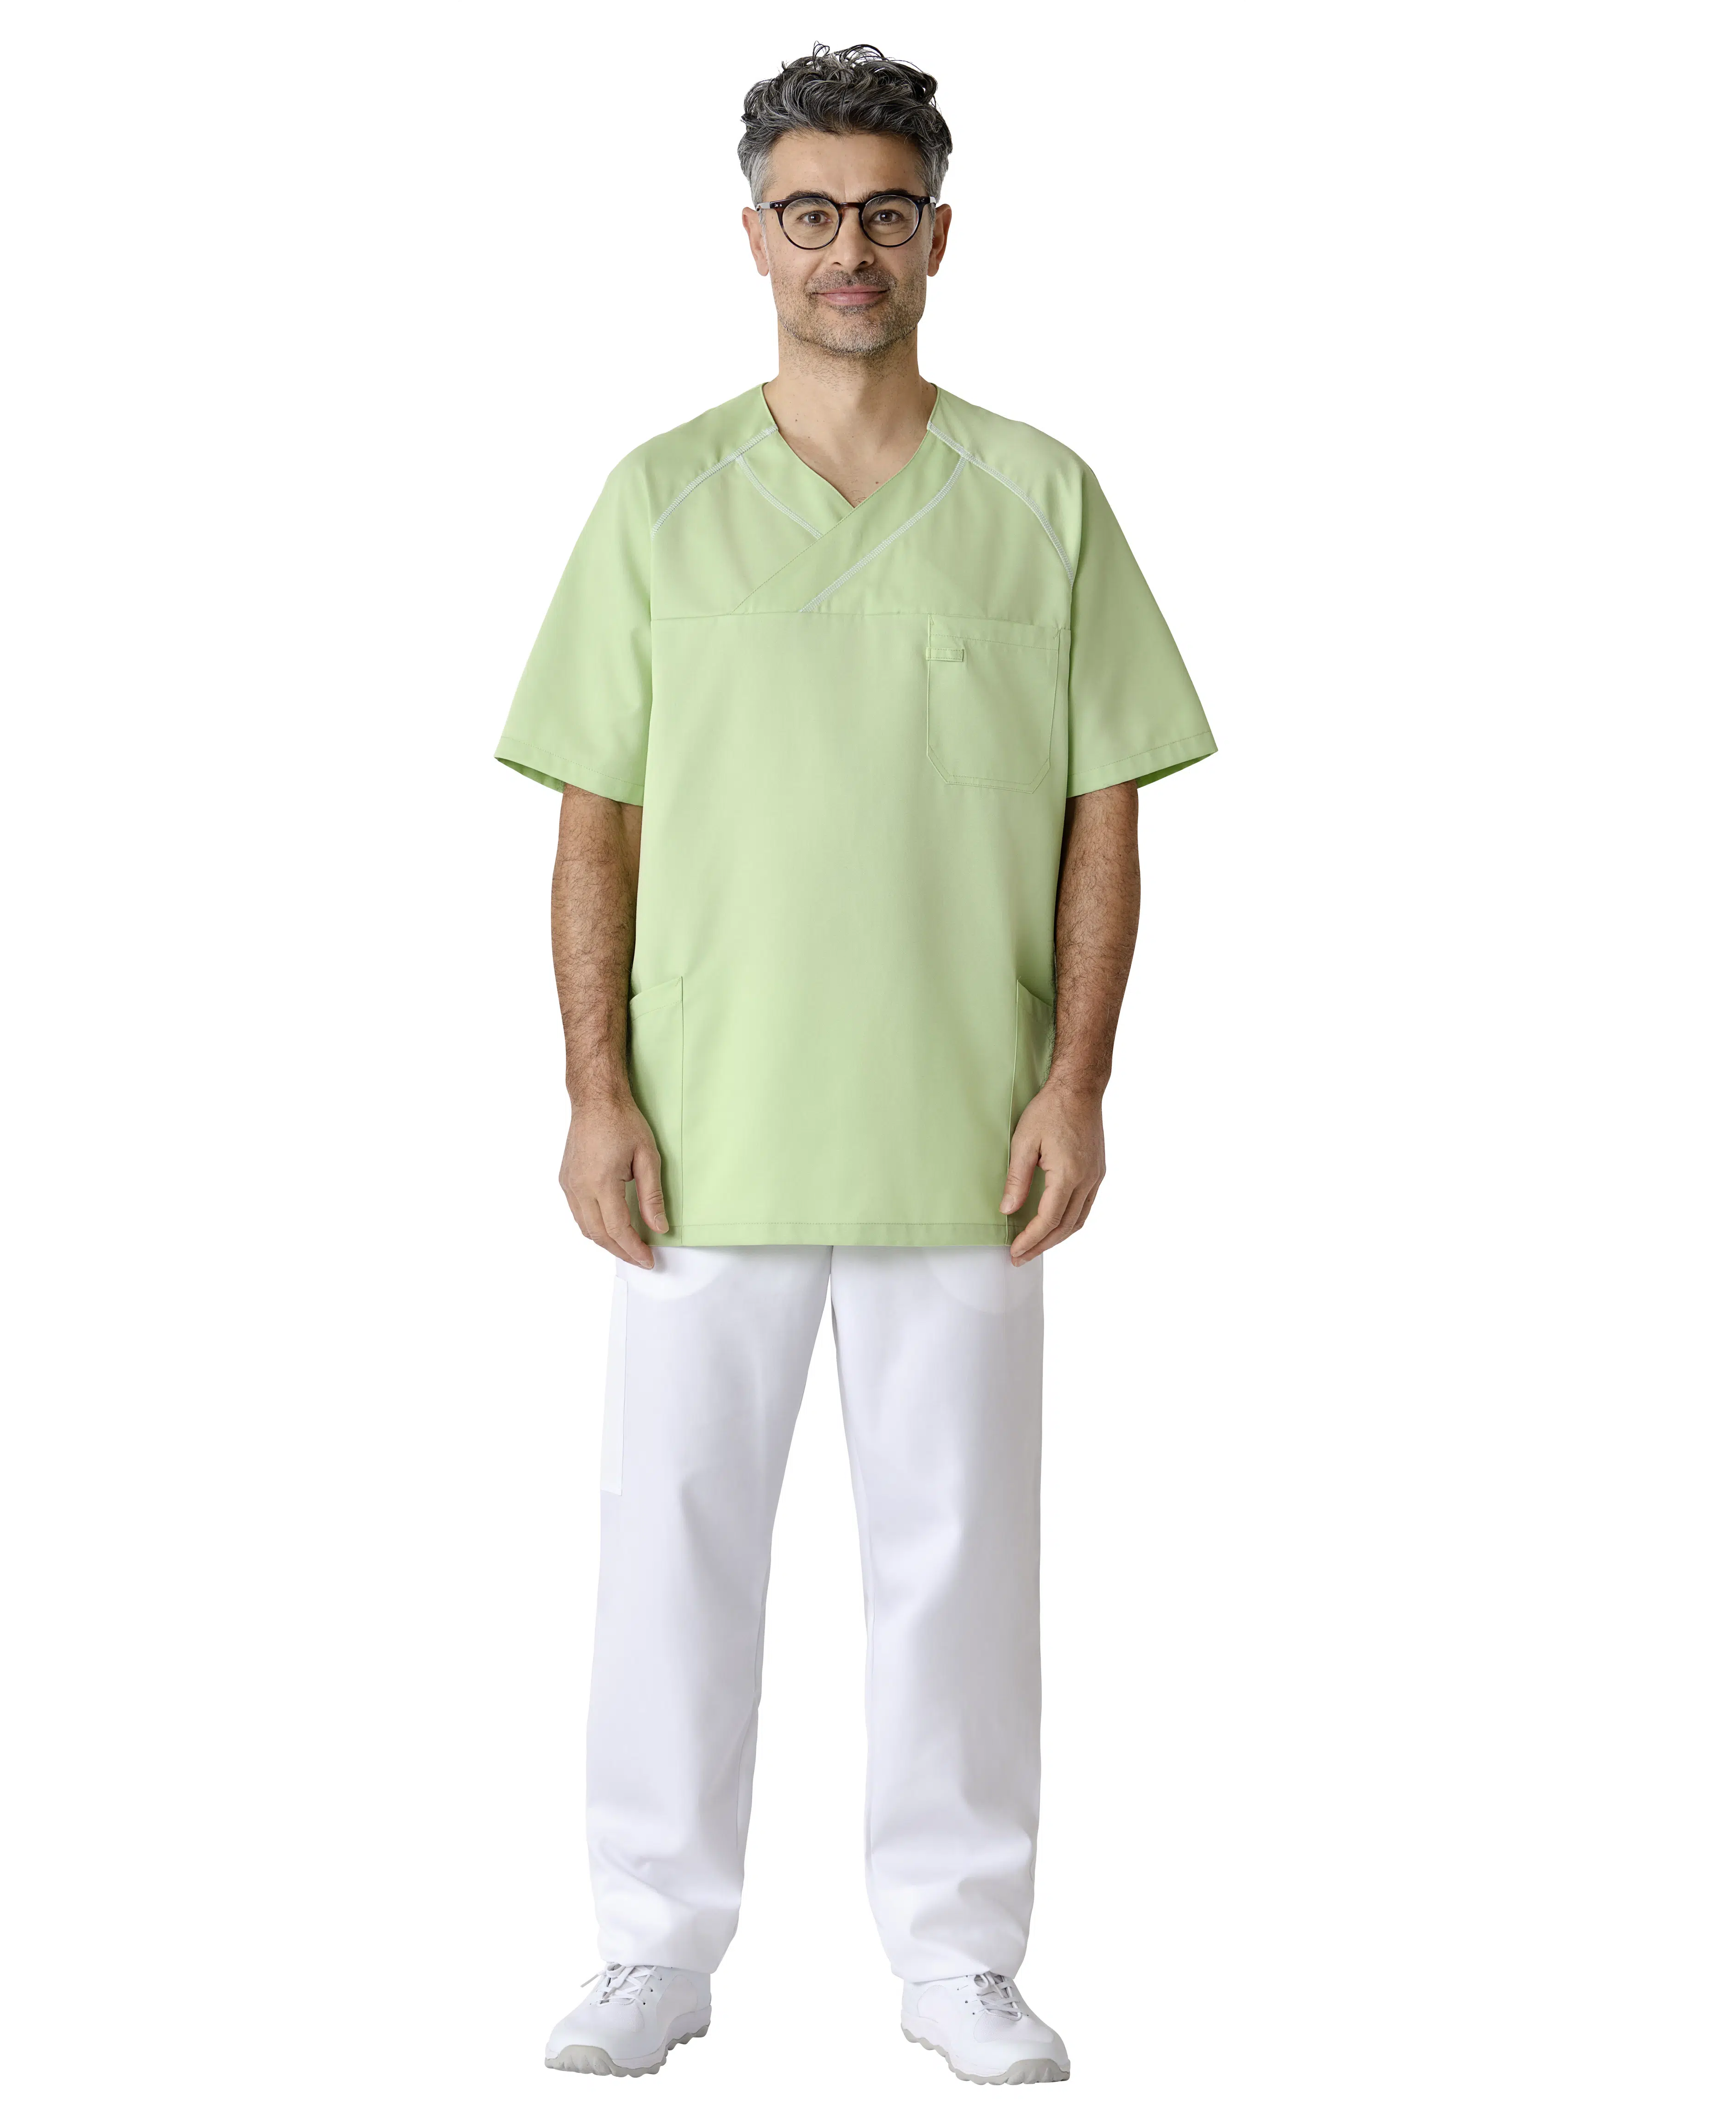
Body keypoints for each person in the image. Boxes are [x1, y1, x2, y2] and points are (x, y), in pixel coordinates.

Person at [496, 41, 1216, 2087]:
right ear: (753, 237)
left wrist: (1078, 1083)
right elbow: (597, 818)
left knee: (962, 1568)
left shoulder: (1041, 500)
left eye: (885, 212)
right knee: (673, 1554)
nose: (848, 250)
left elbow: (1103, 811)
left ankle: (960, 1955)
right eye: (809, 212)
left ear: (939, 236)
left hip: (964, 1131)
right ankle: (652, 1946)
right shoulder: (658, 501)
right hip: (704, 1130)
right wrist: (595, 1091)